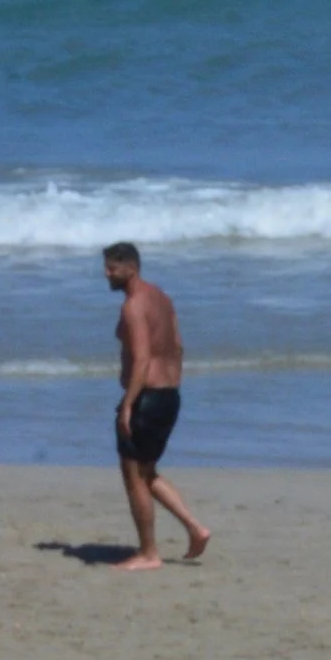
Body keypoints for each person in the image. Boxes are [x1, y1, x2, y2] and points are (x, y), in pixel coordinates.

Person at [104, 242, 212, 571]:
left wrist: (128, 405)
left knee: (133, 475)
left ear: (132, 269)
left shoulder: (134, 305)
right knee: (146, 472)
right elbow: (177, 346)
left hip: (147, 398)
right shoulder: (162, 298)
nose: (106, 274)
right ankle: (196, 528)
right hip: (168, 396)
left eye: (112, 268)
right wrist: (169, 385)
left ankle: (149, 553)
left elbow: (141, 358)